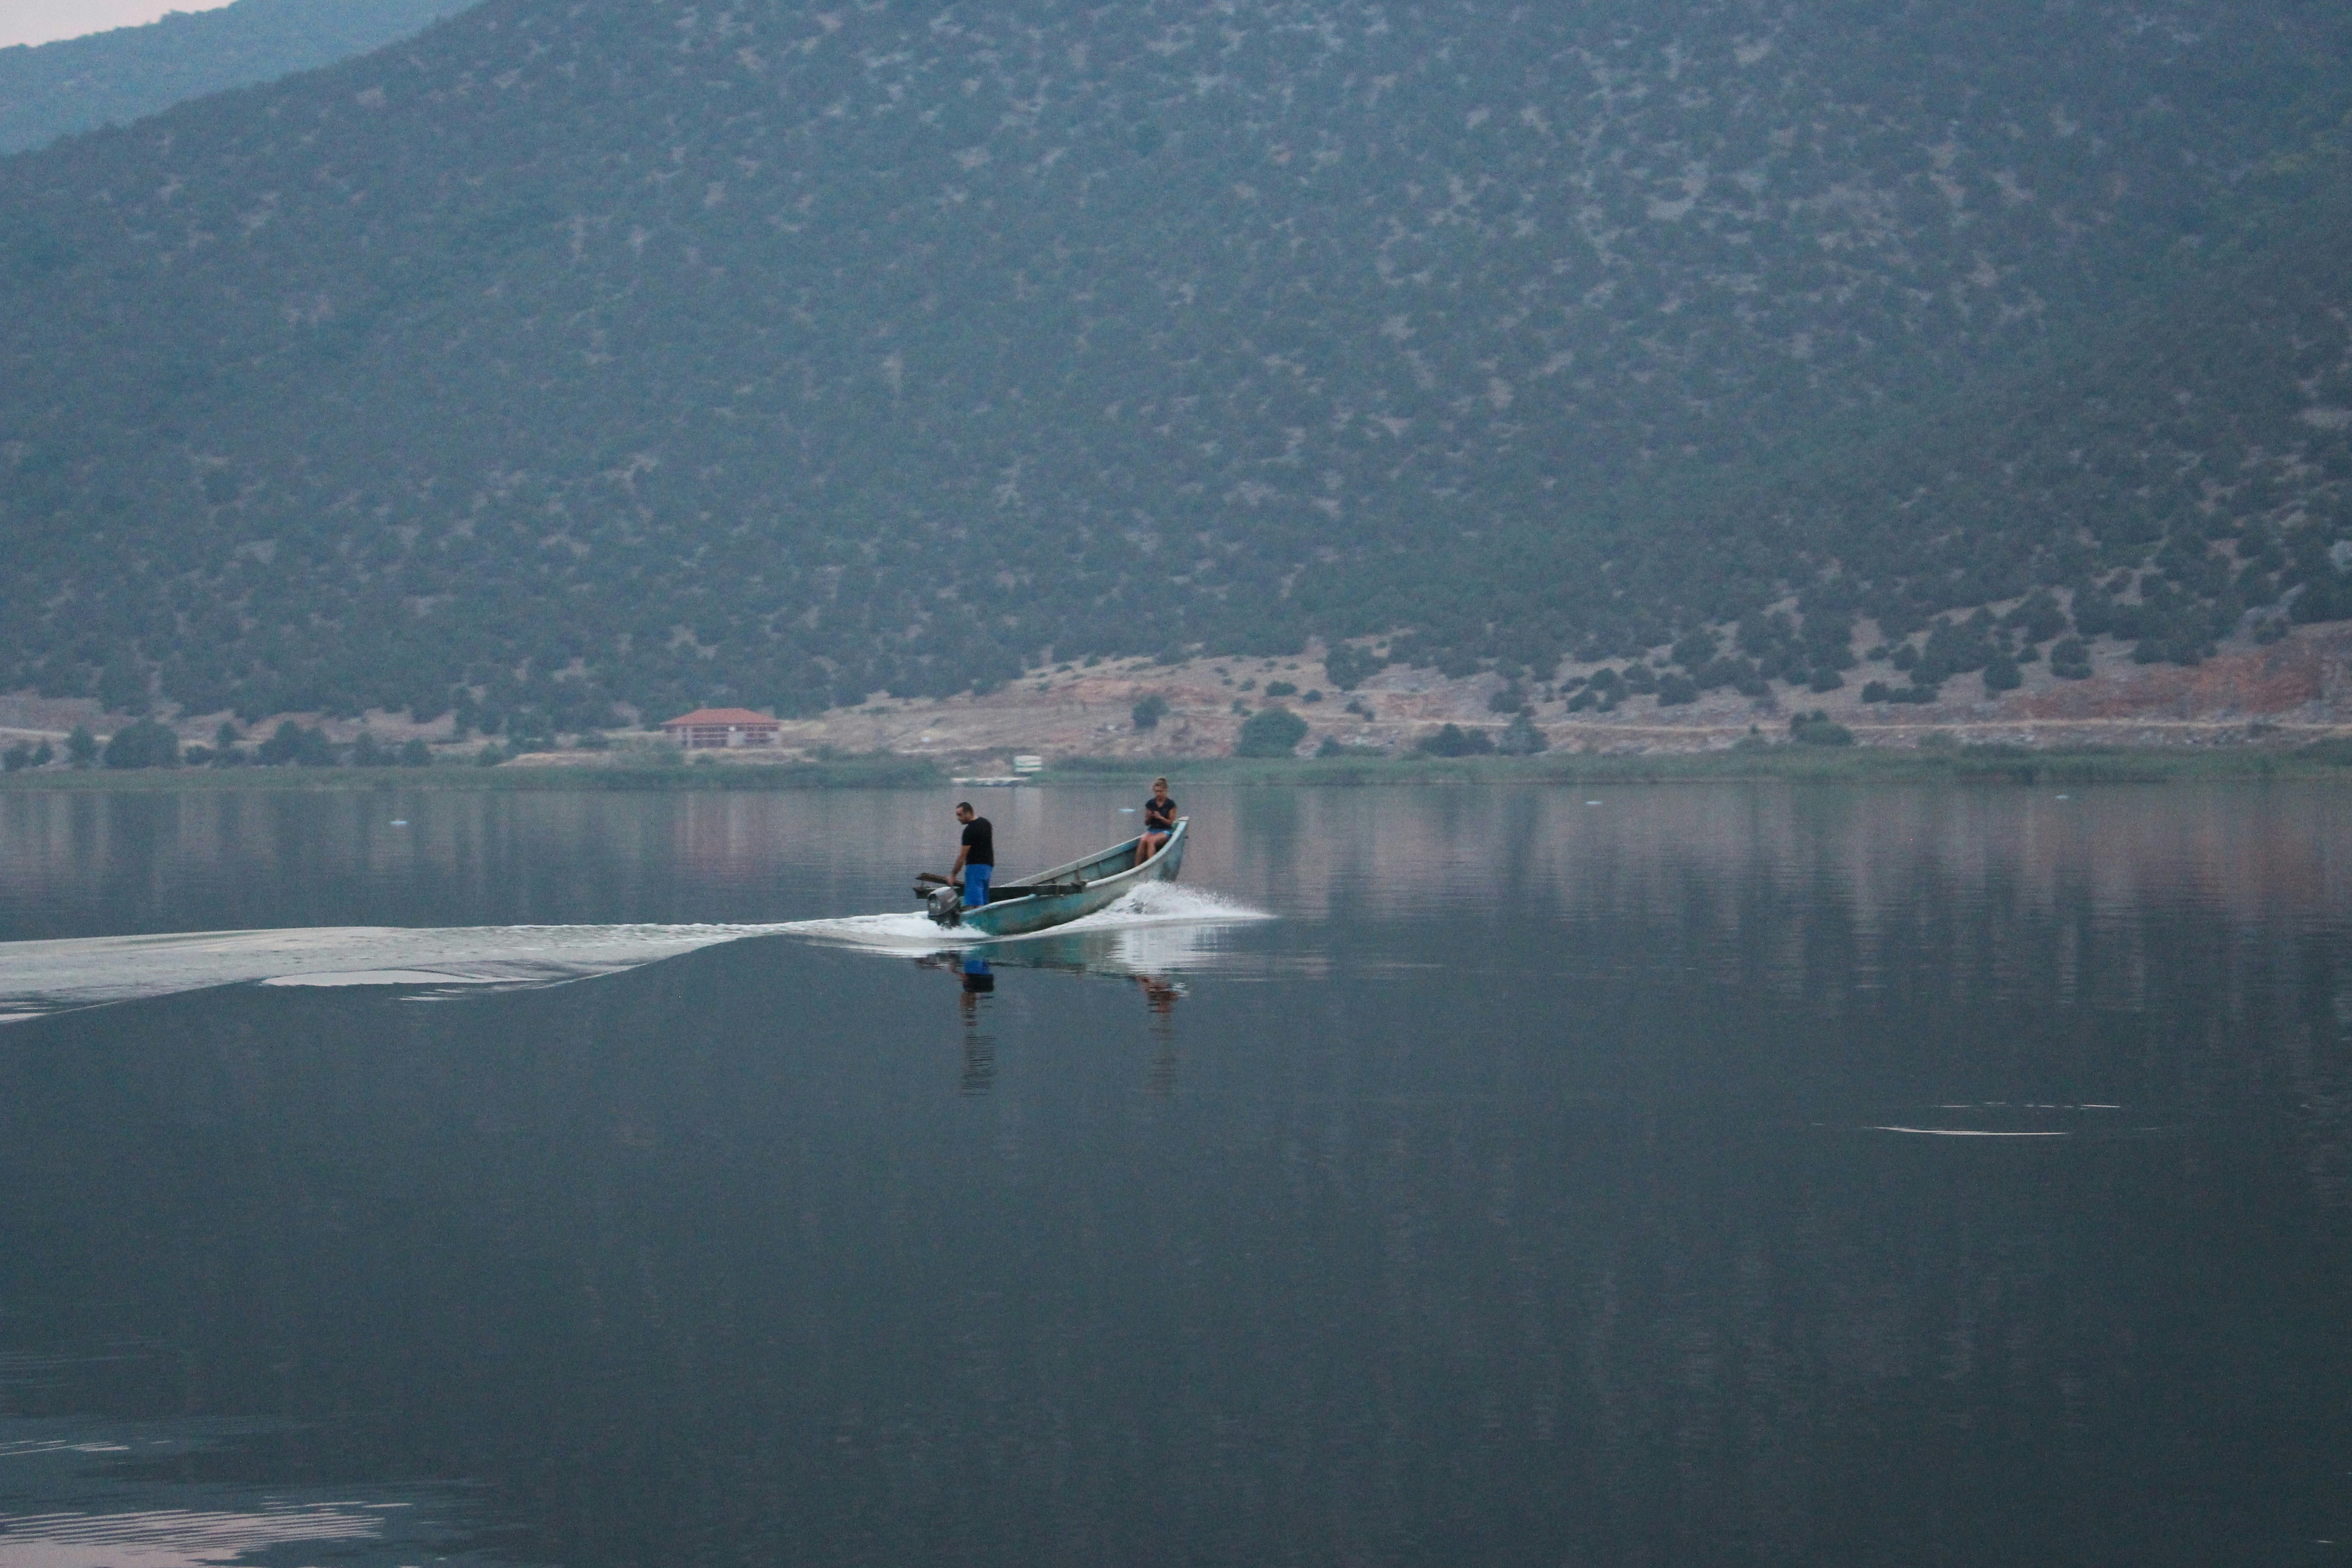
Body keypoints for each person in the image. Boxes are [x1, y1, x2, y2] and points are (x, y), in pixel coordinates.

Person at [949, 801, 995, 910]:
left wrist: (953, 875)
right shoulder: (986, 823)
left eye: (960, 815)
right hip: (988, 866)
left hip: (975, 867)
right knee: (984, 899)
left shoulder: (969, 831)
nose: (958, 818)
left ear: (968, 813)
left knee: (976, 902)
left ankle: (977, 924)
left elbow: (963, 856)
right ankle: (986, 923)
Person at [1135, 776, 1178, 866]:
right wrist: (1150, 817)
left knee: (1152, 841)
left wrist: (1160, 818)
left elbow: (1170, 823)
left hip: (1165, 831)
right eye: (1157, 792)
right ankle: (1137, 867)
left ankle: (1152, 866)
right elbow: (1147, 823)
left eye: (1161, 792)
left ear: (1165, 791)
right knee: (1143, 841)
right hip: (1152, 830)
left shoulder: (1171, 804)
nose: (1158, 794)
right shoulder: (1151, 803)